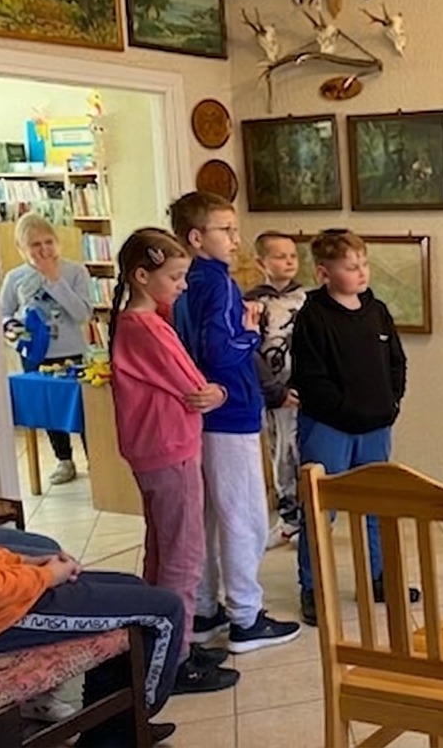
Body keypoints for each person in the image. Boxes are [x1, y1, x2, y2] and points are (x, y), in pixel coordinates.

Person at [108, 228, 239, 694]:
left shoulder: (131, 322)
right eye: (175, 277)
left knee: (162, 551)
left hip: (152, 453)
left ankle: (158, 645)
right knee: (183, 558)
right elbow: (196, 388)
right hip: (172, 454)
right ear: (142, 276)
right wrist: (221, 390)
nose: (183, 286)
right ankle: (175, 659)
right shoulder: (147, 327)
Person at [169, 192, 300, 654]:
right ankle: (246, 616)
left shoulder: (183, 282)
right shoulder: (220, 284)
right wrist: (249, 331)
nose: (235, 239)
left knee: (208, 515)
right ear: (196, 237)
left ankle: (205, 610)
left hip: (201, 416)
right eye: (225, 230)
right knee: (244, 515)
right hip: (231, 412)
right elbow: (221, 351)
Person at [291, 229, 417, 627]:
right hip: (329, 427)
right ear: (324, 273)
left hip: (376, 427)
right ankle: (313, 587)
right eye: (351, 267)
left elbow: (396, 361)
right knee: (320, 510)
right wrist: (347, 412)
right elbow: (312, 379)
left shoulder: (377, 311)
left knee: (376, 506)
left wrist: (392, 401)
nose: (361, 272)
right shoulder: (312, 317)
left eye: (364, 264)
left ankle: (378, 578)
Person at [0, 528, 184, 747]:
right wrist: (48, 575)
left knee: (134, 586)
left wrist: (27, 562)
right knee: (165, 610)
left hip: (6, 598)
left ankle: (114, 732)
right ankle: (133, 722)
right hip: (1, 617)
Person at [0, 211, 93, 486]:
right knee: (49, 407)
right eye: (35, 245)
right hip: (36, 355)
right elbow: (2, 314)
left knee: (82, 408)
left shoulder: (75, 271)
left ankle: (95, 460)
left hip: (72, 352)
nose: (44, 250)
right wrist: (15, 330)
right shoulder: (15, 278)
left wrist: (54, 280)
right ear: (21, 248)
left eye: (48, 242)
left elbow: (82, 314)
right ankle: (64, 459)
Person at [244, 231, 307, 549]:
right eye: (280, 257)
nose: (289, 262)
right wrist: (272, 389)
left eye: (293, 256)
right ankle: (288, 518)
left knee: (302, 452)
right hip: (274, 393)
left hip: (304, 391)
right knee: (280, 454)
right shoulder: (252, 302)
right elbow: (250, 349)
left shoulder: (306, 299)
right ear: (262, 262)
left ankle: (308, 520)